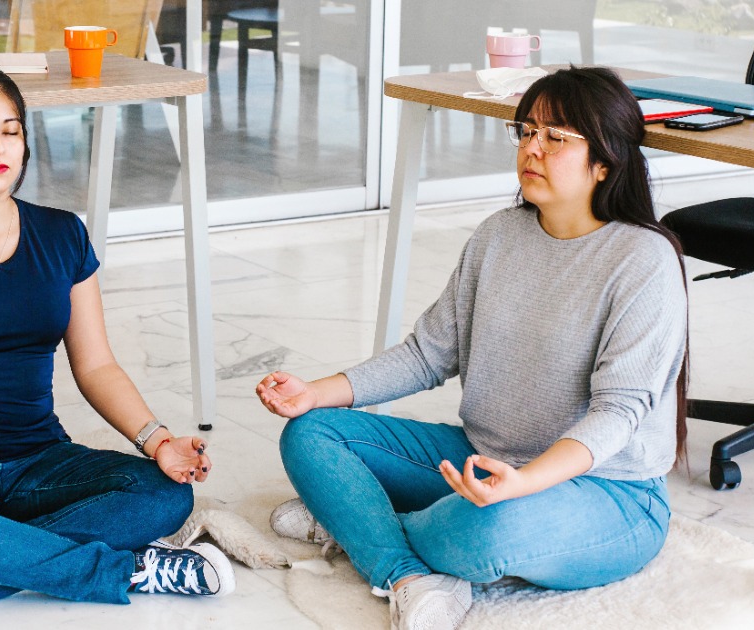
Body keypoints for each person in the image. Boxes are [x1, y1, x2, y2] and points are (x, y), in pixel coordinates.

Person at [255, 66, 688, 630]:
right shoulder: (499, 235)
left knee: (483, 531)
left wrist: (526, 483)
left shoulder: (642, 260)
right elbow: (429, 354)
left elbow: (619, 413)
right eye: (527, 131)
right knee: (312, 430)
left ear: (604, 161)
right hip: (484, 458)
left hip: (609, 492)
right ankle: (408, 576)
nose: (532, 148)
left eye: (556, 138)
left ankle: (358, 526)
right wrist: (317, 391)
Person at [0, 65, 233, 622]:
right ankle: (129, 570)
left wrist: (158, 442)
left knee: (166, 494)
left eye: (10, 130)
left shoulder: (62, 235)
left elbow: (97, 365)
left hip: (41, 460)